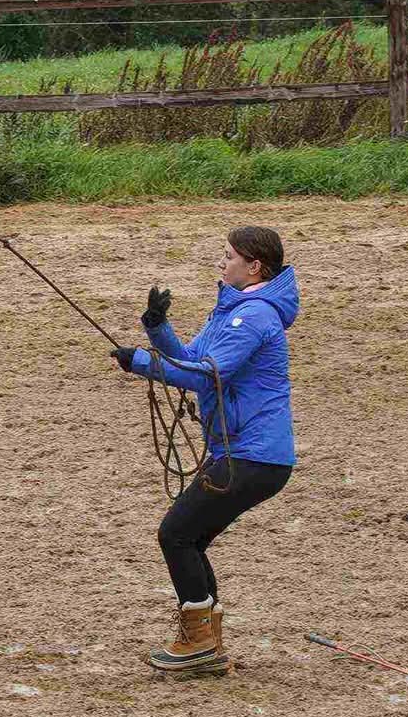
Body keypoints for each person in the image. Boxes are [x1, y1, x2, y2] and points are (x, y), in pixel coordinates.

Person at [109, 224, 300, 678]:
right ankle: (205, 644)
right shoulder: (234, 312)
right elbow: (191, 357)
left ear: (254, 266)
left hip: (252, 456)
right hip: (248, 455)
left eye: (229, 256)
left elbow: (205, 375)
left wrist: (140, 362)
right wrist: (157, 328)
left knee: (176, 534)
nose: (222, 262)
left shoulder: (253, 317)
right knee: (189, 537)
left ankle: (198, 643)